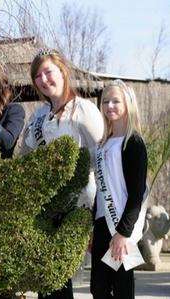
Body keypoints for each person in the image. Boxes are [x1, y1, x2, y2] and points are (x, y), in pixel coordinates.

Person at [22, 48, 104, 299]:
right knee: (48, 277)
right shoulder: (38, 116)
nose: (44, 80)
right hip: (47, 204)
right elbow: (26, 155)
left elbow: (102, 157)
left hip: (79, 201)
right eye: (38, 76)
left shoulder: (84, 110)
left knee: (66, 273)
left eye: (48, 72)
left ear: (62, 71)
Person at [90, 80, 147, 299]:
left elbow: (136, 195)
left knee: (122, 288)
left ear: (128, 104)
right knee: (99, 288)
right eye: (105, 101)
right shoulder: (102, 143)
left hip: (123, 227)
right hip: (103, 225)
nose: (109, 106)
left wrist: (123, 233)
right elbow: (100, 190)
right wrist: (93, 228)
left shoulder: (133, 142)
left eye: (116, 101)